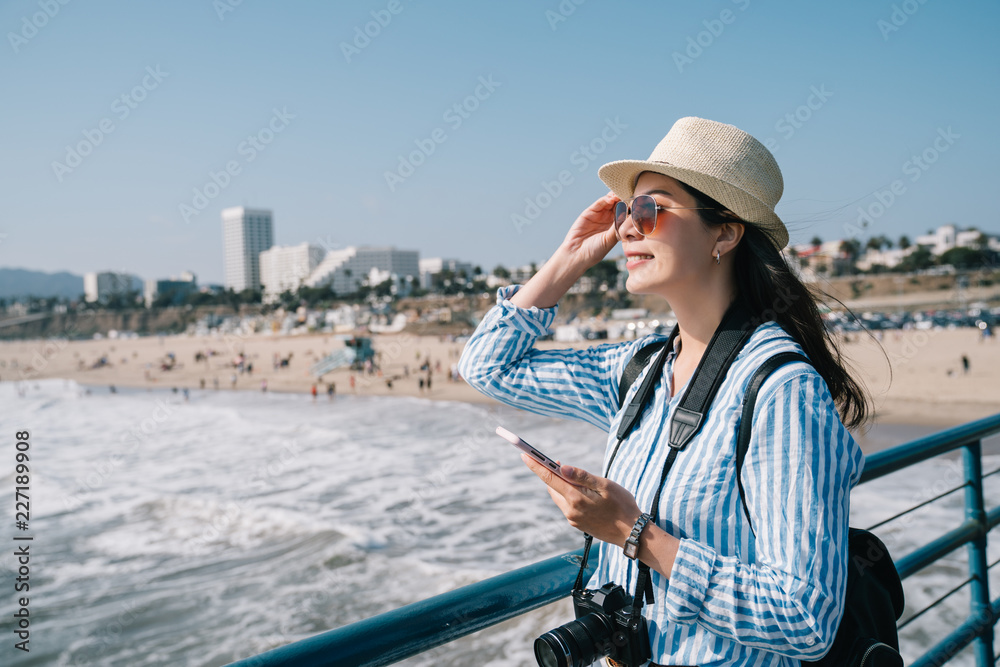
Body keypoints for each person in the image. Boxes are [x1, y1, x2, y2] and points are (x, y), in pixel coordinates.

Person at [459, 117, 870, 666]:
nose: (628, 228)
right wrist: (571, 256)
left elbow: (804, 618)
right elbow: (487, 366)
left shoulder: (780, 391)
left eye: (650, 211)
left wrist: (633, 533)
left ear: (724, 233)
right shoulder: (640, 368)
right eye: (625, 212)